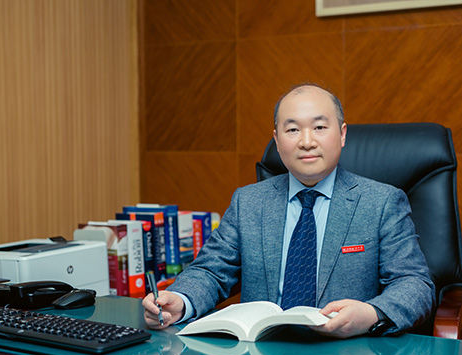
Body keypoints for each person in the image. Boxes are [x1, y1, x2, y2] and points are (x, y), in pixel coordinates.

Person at [142, 83, 435, 338]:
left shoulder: (381, 202)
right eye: (293, 130)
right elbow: (211, 270)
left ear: (342, 134)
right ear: (277, 140)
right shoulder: (249, 202)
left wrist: (371, 314)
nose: (307, 142)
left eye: (320, 127)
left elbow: (415, 284)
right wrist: (180, 300)